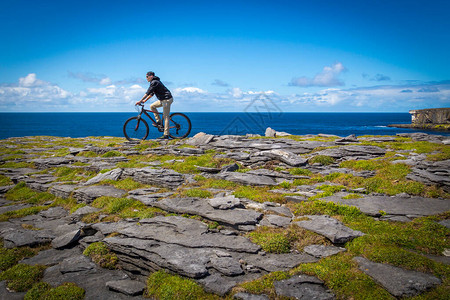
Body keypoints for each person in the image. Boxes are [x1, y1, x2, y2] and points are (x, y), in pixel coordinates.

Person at [136, 71, 173, 139]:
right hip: (162, 100)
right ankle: (159, 122)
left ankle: (166, 135)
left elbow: (148, 92)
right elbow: (151, 93)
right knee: (152, 106)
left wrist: (140, 101)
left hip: (167, 100)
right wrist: (144, 100)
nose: (146, 78)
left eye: (147, 77)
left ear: (151, 76)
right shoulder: (153, 82)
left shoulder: (154, 82)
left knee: (166, 117)